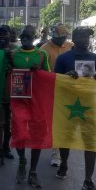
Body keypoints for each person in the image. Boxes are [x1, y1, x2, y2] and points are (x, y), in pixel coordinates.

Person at [53, 26, 96, 190]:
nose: (86, 40)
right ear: (74, 39)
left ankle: (88, 179)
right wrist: (67, 75)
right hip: (68, 105)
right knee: (66, 138)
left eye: (88, 37)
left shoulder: (94, 57)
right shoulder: (64, 58)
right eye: (82, 37)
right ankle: (64, 162)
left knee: (91, 142)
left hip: (89, 105)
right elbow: (54, 81)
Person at [11, 25, 49, 188]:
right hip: (18, 100)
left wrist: (38, 71)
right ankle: (21, 161)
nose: (25, 37)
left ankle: (33, 172)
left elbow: (48, 76)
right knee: (19, 133)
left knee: (37, 135)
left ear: (35, 37)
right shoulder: (13, 54)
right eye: (23, 35)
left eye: (28, 35)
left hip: (36, 100)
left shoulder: (41, 54)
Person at [40, 23, 73, 167]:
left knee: (65, 122)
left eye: (63, 38)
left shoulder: (71, 46)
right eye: (58, 38)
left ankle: (62, 151)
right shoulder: (44, 49)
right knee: (54, 122)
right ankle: (56, 153)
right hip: (50, 90)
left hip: (69, 90)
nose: (60, 41)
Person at [0, 24, 13, 167]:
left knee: (9, 125)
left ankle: (6, 147)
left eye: (5, 34)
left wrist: (10, 56)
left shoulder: (16, 51)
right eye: (0, 34)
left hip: (13, 93)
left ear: (10, 35)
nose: (2, 37)